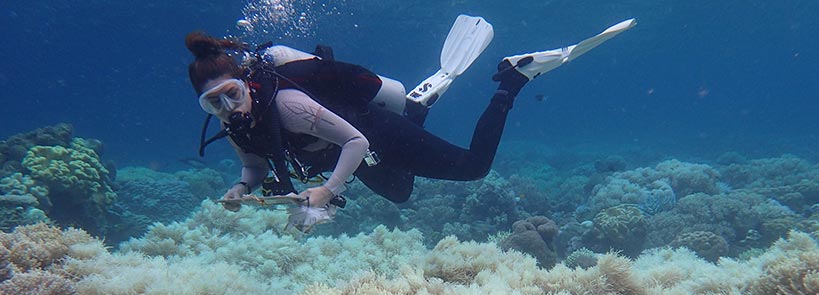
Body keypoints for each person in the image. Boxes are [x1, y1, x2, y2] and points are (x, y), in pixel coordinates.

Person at [186, 17, 636, 229]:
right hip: (355, 151)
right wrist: (242, 188)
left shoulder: (287, 107)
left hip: (371, 134)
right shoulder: (239, 127)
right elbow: (255, 166)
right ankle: (417, 105)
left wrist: (328, 190)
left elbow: (355, 142)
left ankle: (513, 80)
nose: (228, 108)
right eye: (214, 104)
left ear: (247, 83)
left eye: (232, 94)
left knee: (474, 166)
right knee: (401, 193)